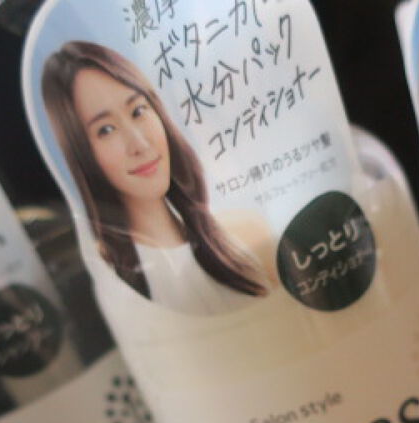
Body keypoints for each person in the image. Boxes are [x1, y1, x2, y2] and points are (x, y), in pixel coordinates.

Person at [41, 41, 275, 315]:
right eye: (106, 130)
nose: (139, 144)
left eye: (138, 111)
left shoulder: (243, 233)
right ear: (81, 153)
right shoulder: (116, 283)